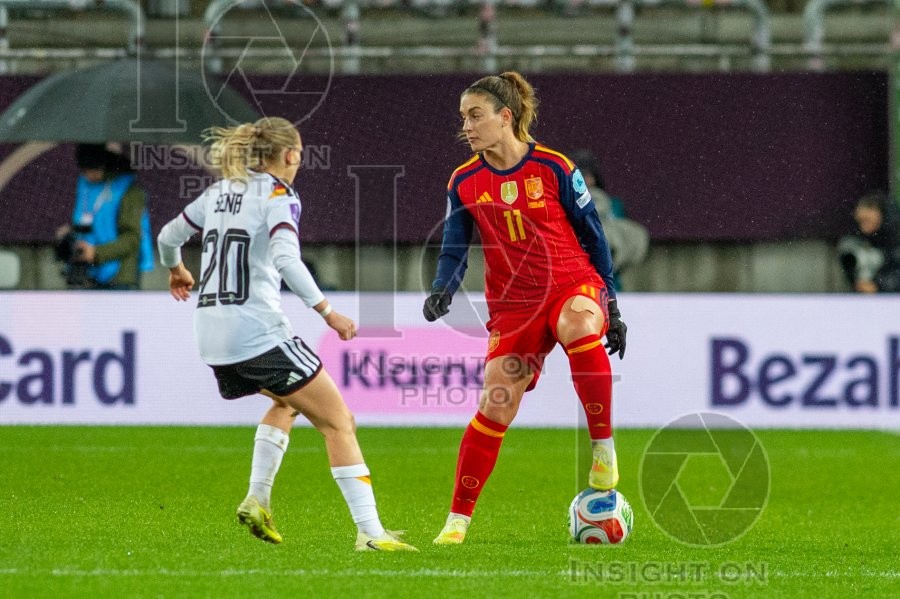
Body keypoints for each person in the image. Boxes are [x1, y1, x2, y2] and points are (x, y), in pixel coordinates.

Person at [156, 117, 416, 552]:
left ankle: (258, 499)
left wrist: (177, 269)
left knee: (286, 401)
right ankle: (371, 533)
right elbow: (287, 260)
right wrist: (328, 312)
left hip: (212, 335)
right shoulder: (278, 196)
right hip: (256, 332)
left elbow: (168, 236)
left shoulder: (219, 191)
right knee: (339, 422)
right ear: (292, 155)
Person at [423, 72, 628, 545]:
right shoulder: (464, 181)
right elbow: (455, 247)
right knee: (496, 403)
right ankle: (457, 521)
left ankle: (602, 449)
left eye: (475, 116)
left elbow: (594, 236)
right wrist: (442, 289)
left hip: (570, 282)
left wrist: (612, 306)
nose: (466, 127)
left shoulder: (555, 167)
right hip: (514, 305)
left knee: (578, 325)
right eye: (463, 118)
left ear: (505, 116)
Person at [55, 144, 154, 289]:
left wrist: (96, 253)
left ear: (102, 166)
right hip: (88, 273)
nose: (87, 176)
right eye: (83, 171)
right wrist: (71, 233)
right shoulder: (86, 185)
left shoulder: (130, 190)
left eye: (90, 170)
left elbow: (132, 238)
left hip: (119, 277)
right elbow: (89, 220)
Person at [570, 149, 649, 290]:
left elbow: (626, 241)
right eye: (580, 177)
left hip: (610, 280)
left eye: (588, 176)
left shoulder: (613, 205)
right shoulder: (565, 206)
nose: (586, 181)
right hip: (576, 278)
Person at [838, 192, 900, 293]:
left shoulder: (895, 239)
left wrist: (878, 285)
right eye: (860, 221)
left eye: (867, 220)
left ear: (881, 214)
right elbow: (850, 266)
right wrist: (861, 283)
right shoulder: (855, 240)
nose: (864, 226)